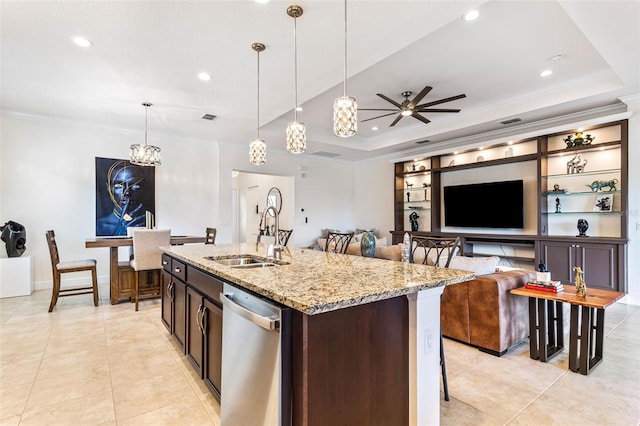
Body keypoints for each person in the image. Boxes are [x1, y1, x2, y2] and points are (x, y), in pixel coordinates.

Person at [96, 161, 148, 236]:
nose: (126, 192)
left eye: (135, 186)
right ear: (109, 188)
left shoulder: (150, 223)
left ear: (144, 188)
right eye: (118, 186)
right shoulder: (99, 226)